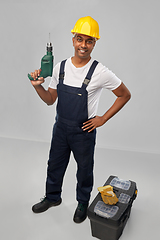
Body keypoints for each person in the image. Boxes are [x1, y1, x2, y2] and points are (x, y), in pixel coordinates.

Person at [30, 16, 131, 223]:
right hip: (60, 128)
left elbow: (124, 95)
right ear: (73, 40)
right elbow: (50, 100)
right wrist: (38, 86)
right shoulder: (60, 67)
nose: (83, 45)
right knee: (54, 165)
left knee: (84, 170)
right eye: (79, 39)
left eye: (89, 41)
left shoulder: (100, 72)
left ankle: (82, 202)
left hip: (83, 131)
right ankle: (52, 198)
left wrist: (103, 118)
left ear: (95, 43)